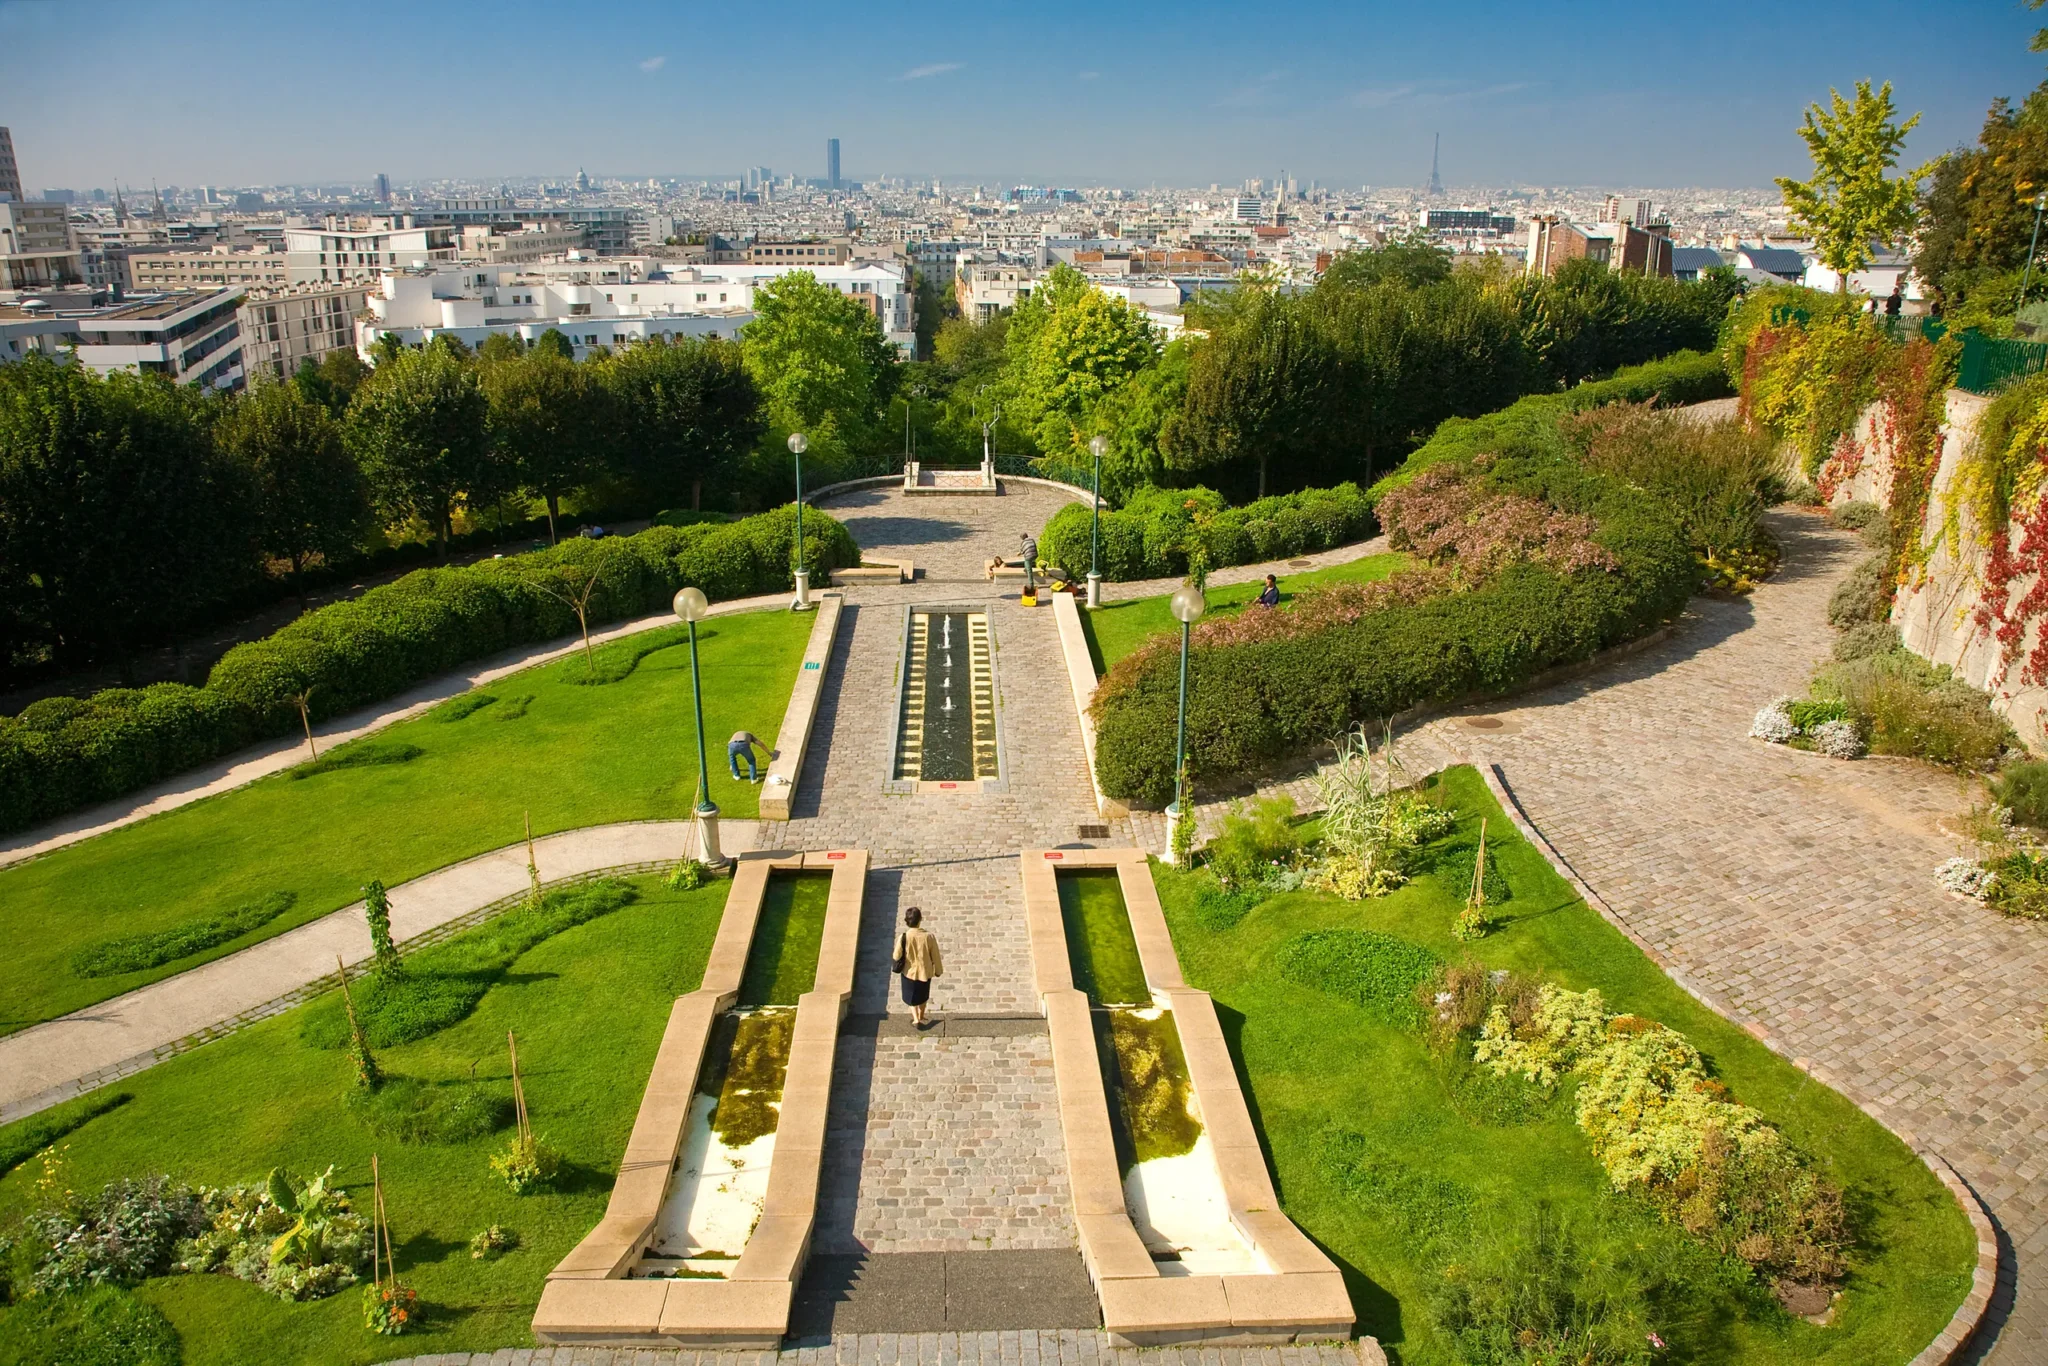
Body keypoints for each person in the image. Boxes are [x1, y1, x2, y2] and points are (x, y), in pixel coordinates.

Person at [892, 906, 943, 1027]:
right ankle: (921, 1015)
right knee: (923, 996)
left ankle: (915, 1019)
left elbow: (896, 955)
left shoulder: (904, 937)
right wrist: (938, 971)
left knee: (911, 998)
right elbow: (935, 956)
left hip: (909, 972)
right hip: (925, 972)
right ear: (920, 919)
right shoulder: (929, 936)